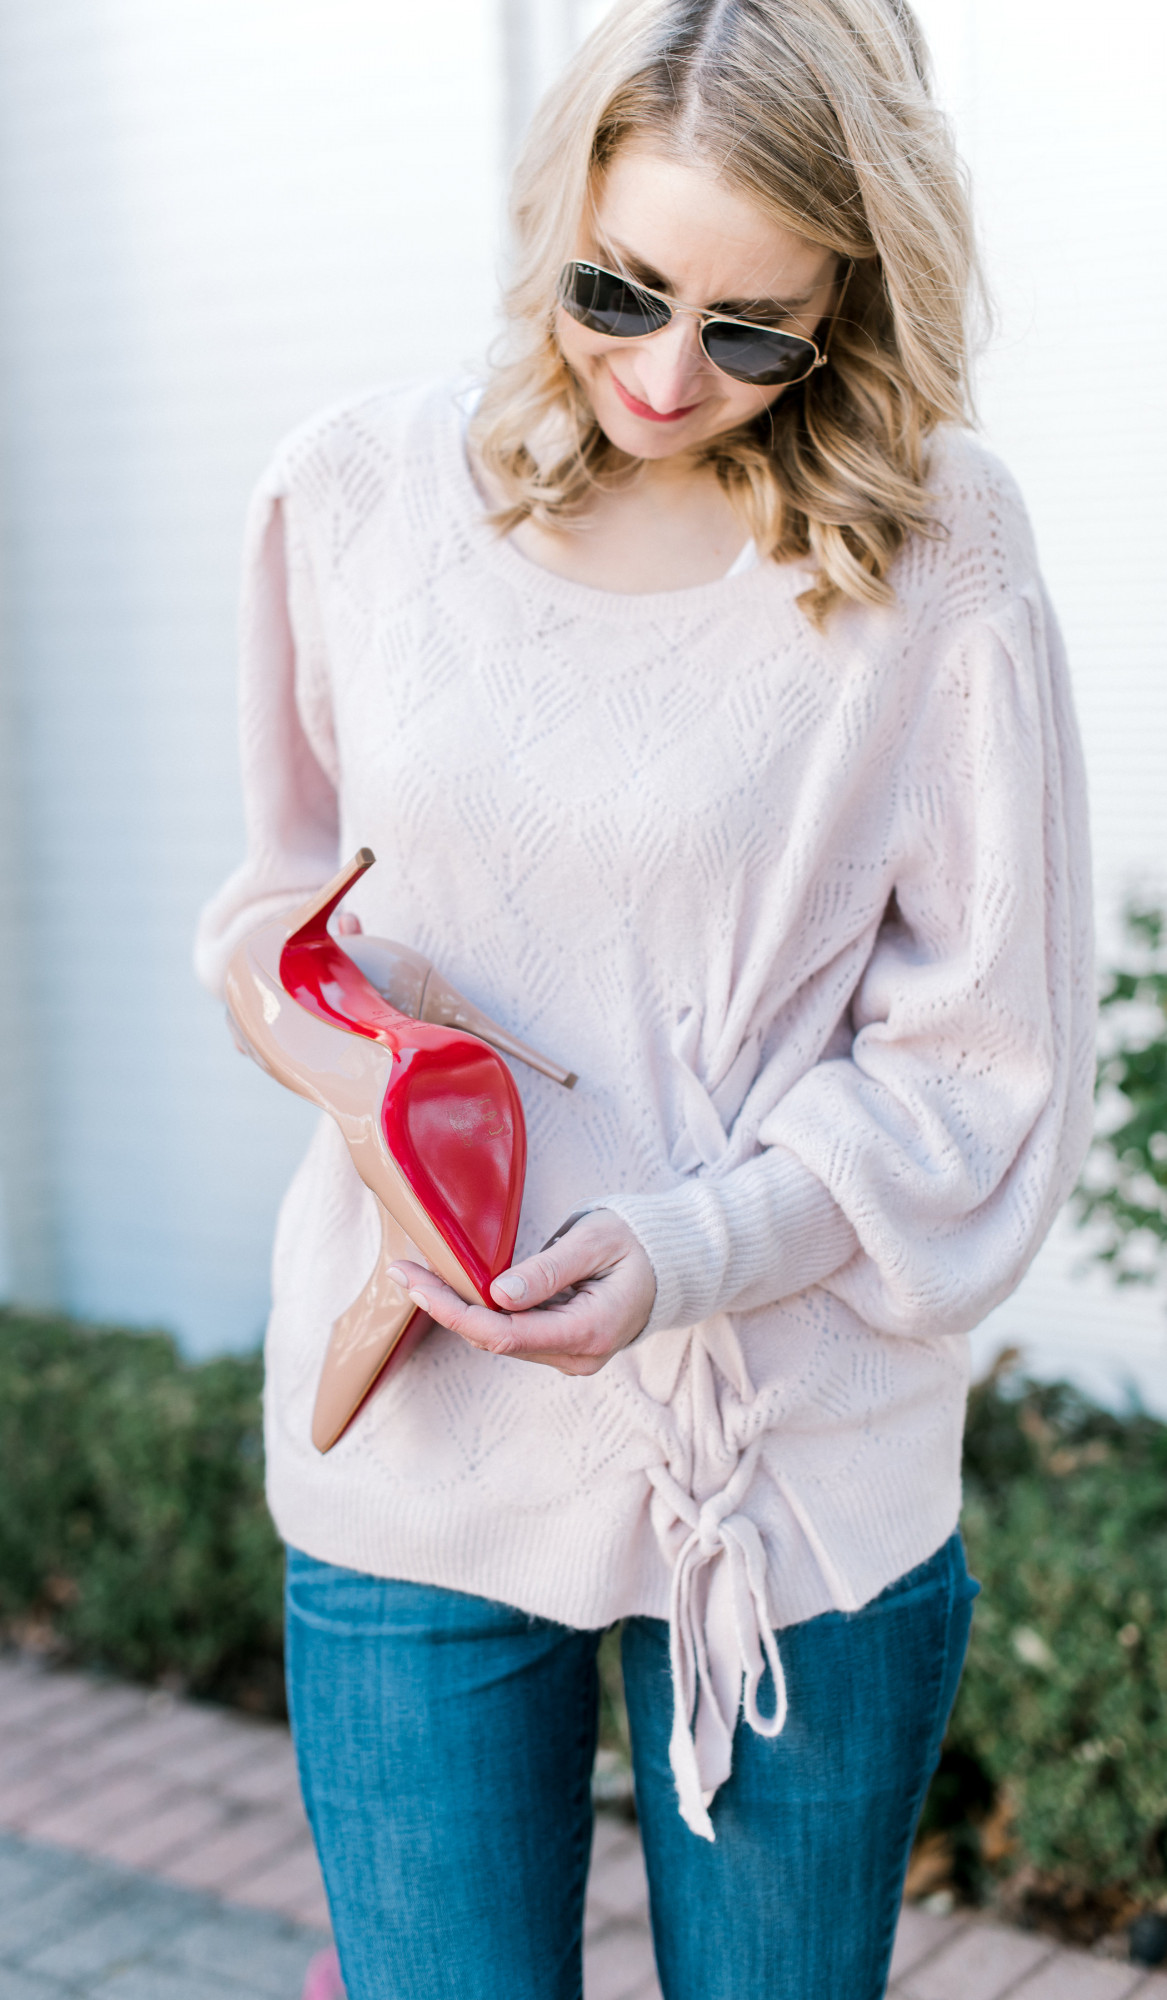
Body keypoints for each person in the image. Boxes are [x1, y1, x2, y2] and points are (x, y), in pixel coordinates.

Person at [194, 0, 1095, 1993]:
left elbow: (979, 1062)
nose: (667, 374)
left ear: (848, 301)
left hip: (783, 1467)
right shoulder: (355, 493)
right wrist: (344, 1071)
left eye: (752, 327)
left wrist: (684, 1248)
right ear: (557, 217)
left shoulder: (937, 551)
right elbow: (275, 900)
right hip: (415, 1432)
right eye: (621, 291)